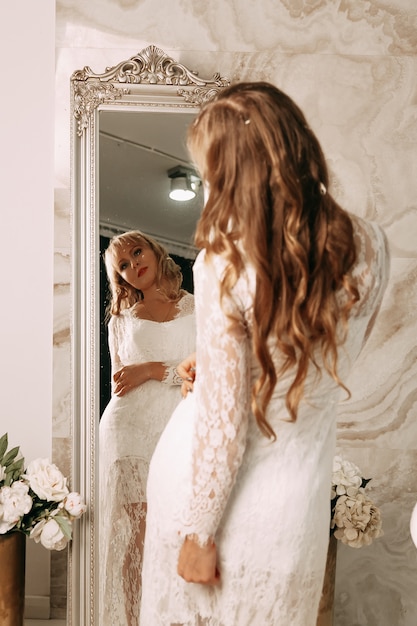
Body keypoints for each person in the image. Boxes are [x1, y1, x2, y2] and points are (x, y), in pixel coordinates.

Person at [140, 82, 390, 626]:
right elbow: (322, 363)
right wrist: (217, 364)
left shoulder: (223, 264)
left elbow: (226, 418)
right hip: (294, 504)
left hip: (211, 503)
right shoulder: (372, 245)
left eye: (212, 175)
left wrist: (199, 532)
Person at [98, 230, 196, 626]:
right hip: (130, 429)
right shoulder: (120, 320)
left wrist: (153, 370)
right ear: (119, 278)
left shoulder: (196, 306)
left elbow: (208, 370)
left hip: (179, 427)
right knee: (138, 535)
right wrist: (142, 373)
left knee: (174, 530)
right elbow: (120, 381)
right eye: (122, 265)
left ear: (154, 251)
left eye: (137, 253)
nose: (133, 264)